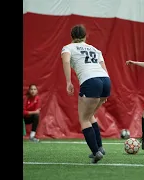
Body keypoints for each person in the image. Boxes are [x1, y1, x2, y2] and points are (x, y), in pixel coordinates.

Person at [61, 24, 111, 164]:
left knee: (83, 119)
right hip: (105, 81)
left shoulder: (68, 48)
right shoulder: (95, 49)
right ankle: (100, 147)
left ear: (71, 36)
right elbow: (104, 69)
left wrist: (68, 82)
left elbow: (65, 61)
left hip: (91, 81)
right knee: (90, 116)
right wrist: (104, 93)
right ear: (85, 36)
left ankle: (96, 152)